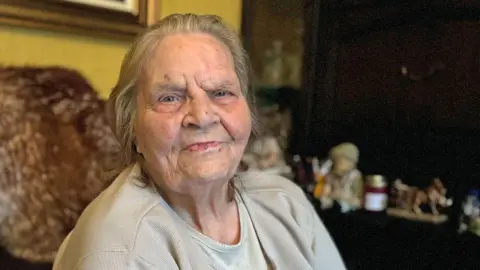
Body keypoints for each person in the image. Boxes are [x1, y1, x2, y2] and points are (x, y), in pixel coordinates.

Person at [52, 13, 346, 270]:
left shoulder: (285, 202)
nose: (202, 115)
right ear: (132, 129)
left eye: (221, 92)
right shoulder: (118, 254)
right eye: (169, 97)